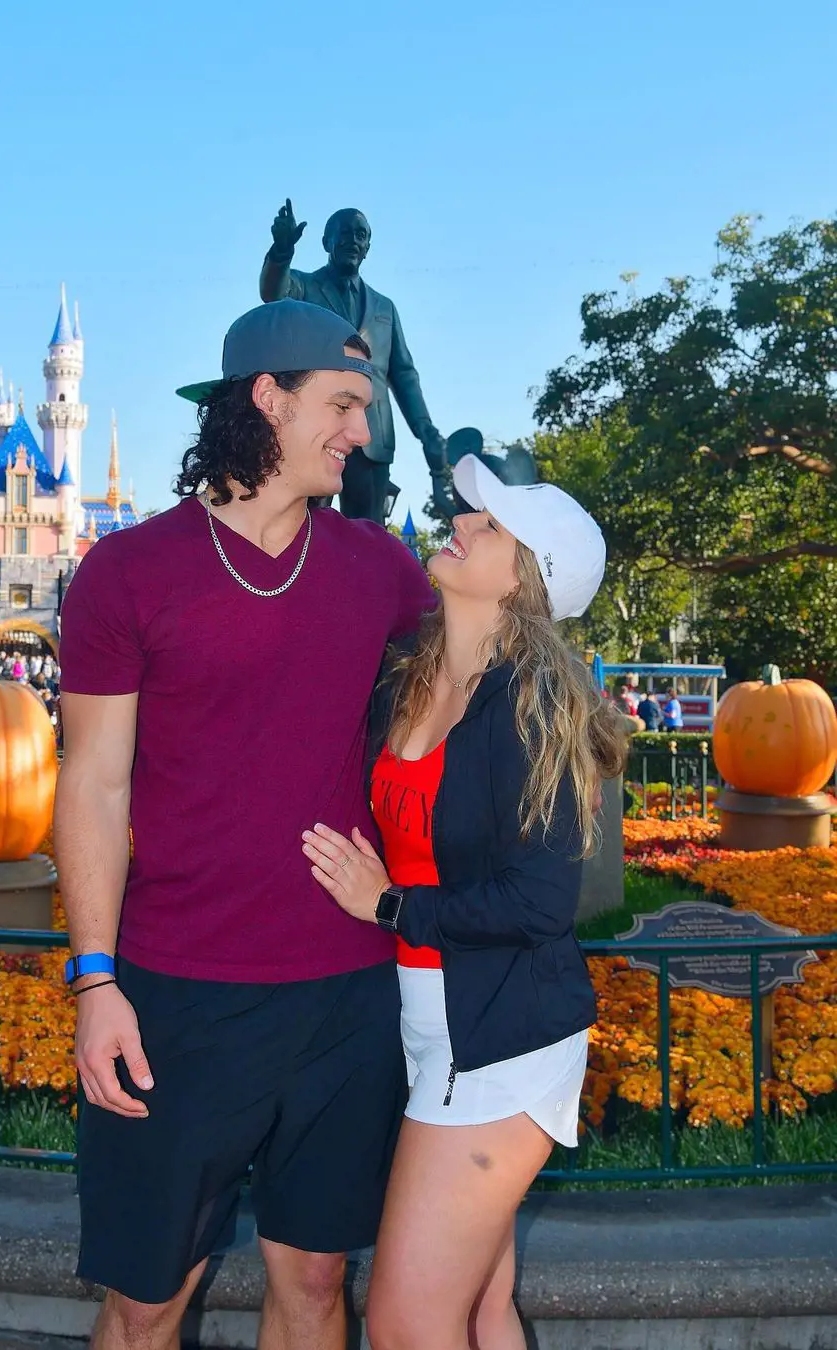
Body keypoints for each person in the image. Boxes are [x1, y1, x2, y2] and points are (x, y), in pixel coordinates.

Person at [55, 298, 435, 1350]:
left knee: (316, 1283)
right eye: (346, 405)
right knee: (148, 1303)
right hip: (181, 996)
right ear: (267, 399)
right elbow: (92, 786)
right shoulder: (126, 574)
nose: (363, 431)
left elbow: (479, 703)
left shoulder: (382, 570)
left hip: (347, 996)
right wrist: (96, 982)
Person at [302, 453, 626, 1350]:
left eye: (491, 526)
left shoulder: (534, 703)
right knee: (479, 1310)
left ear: (524, 577)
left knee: (408, 1323)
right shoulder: (408, 674)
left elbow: (541, 902)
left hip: (504, 1033)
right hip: (427, 1019)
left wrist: (390, 907)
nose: (463, 523)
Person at [250, 201, 454, 525]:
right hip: (319, 428)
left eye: (361, 235)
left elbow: (403, 374)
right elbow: (272, 293)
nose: (353, 241)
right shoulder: (304, 287)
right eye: (344, 234)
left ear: (368, 247)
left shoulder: (384, 308)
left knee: (368, 533)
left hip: (373, 434)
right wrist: (281, 250)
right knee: (306, 526)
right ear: (326, 242)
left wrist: (425, 430)